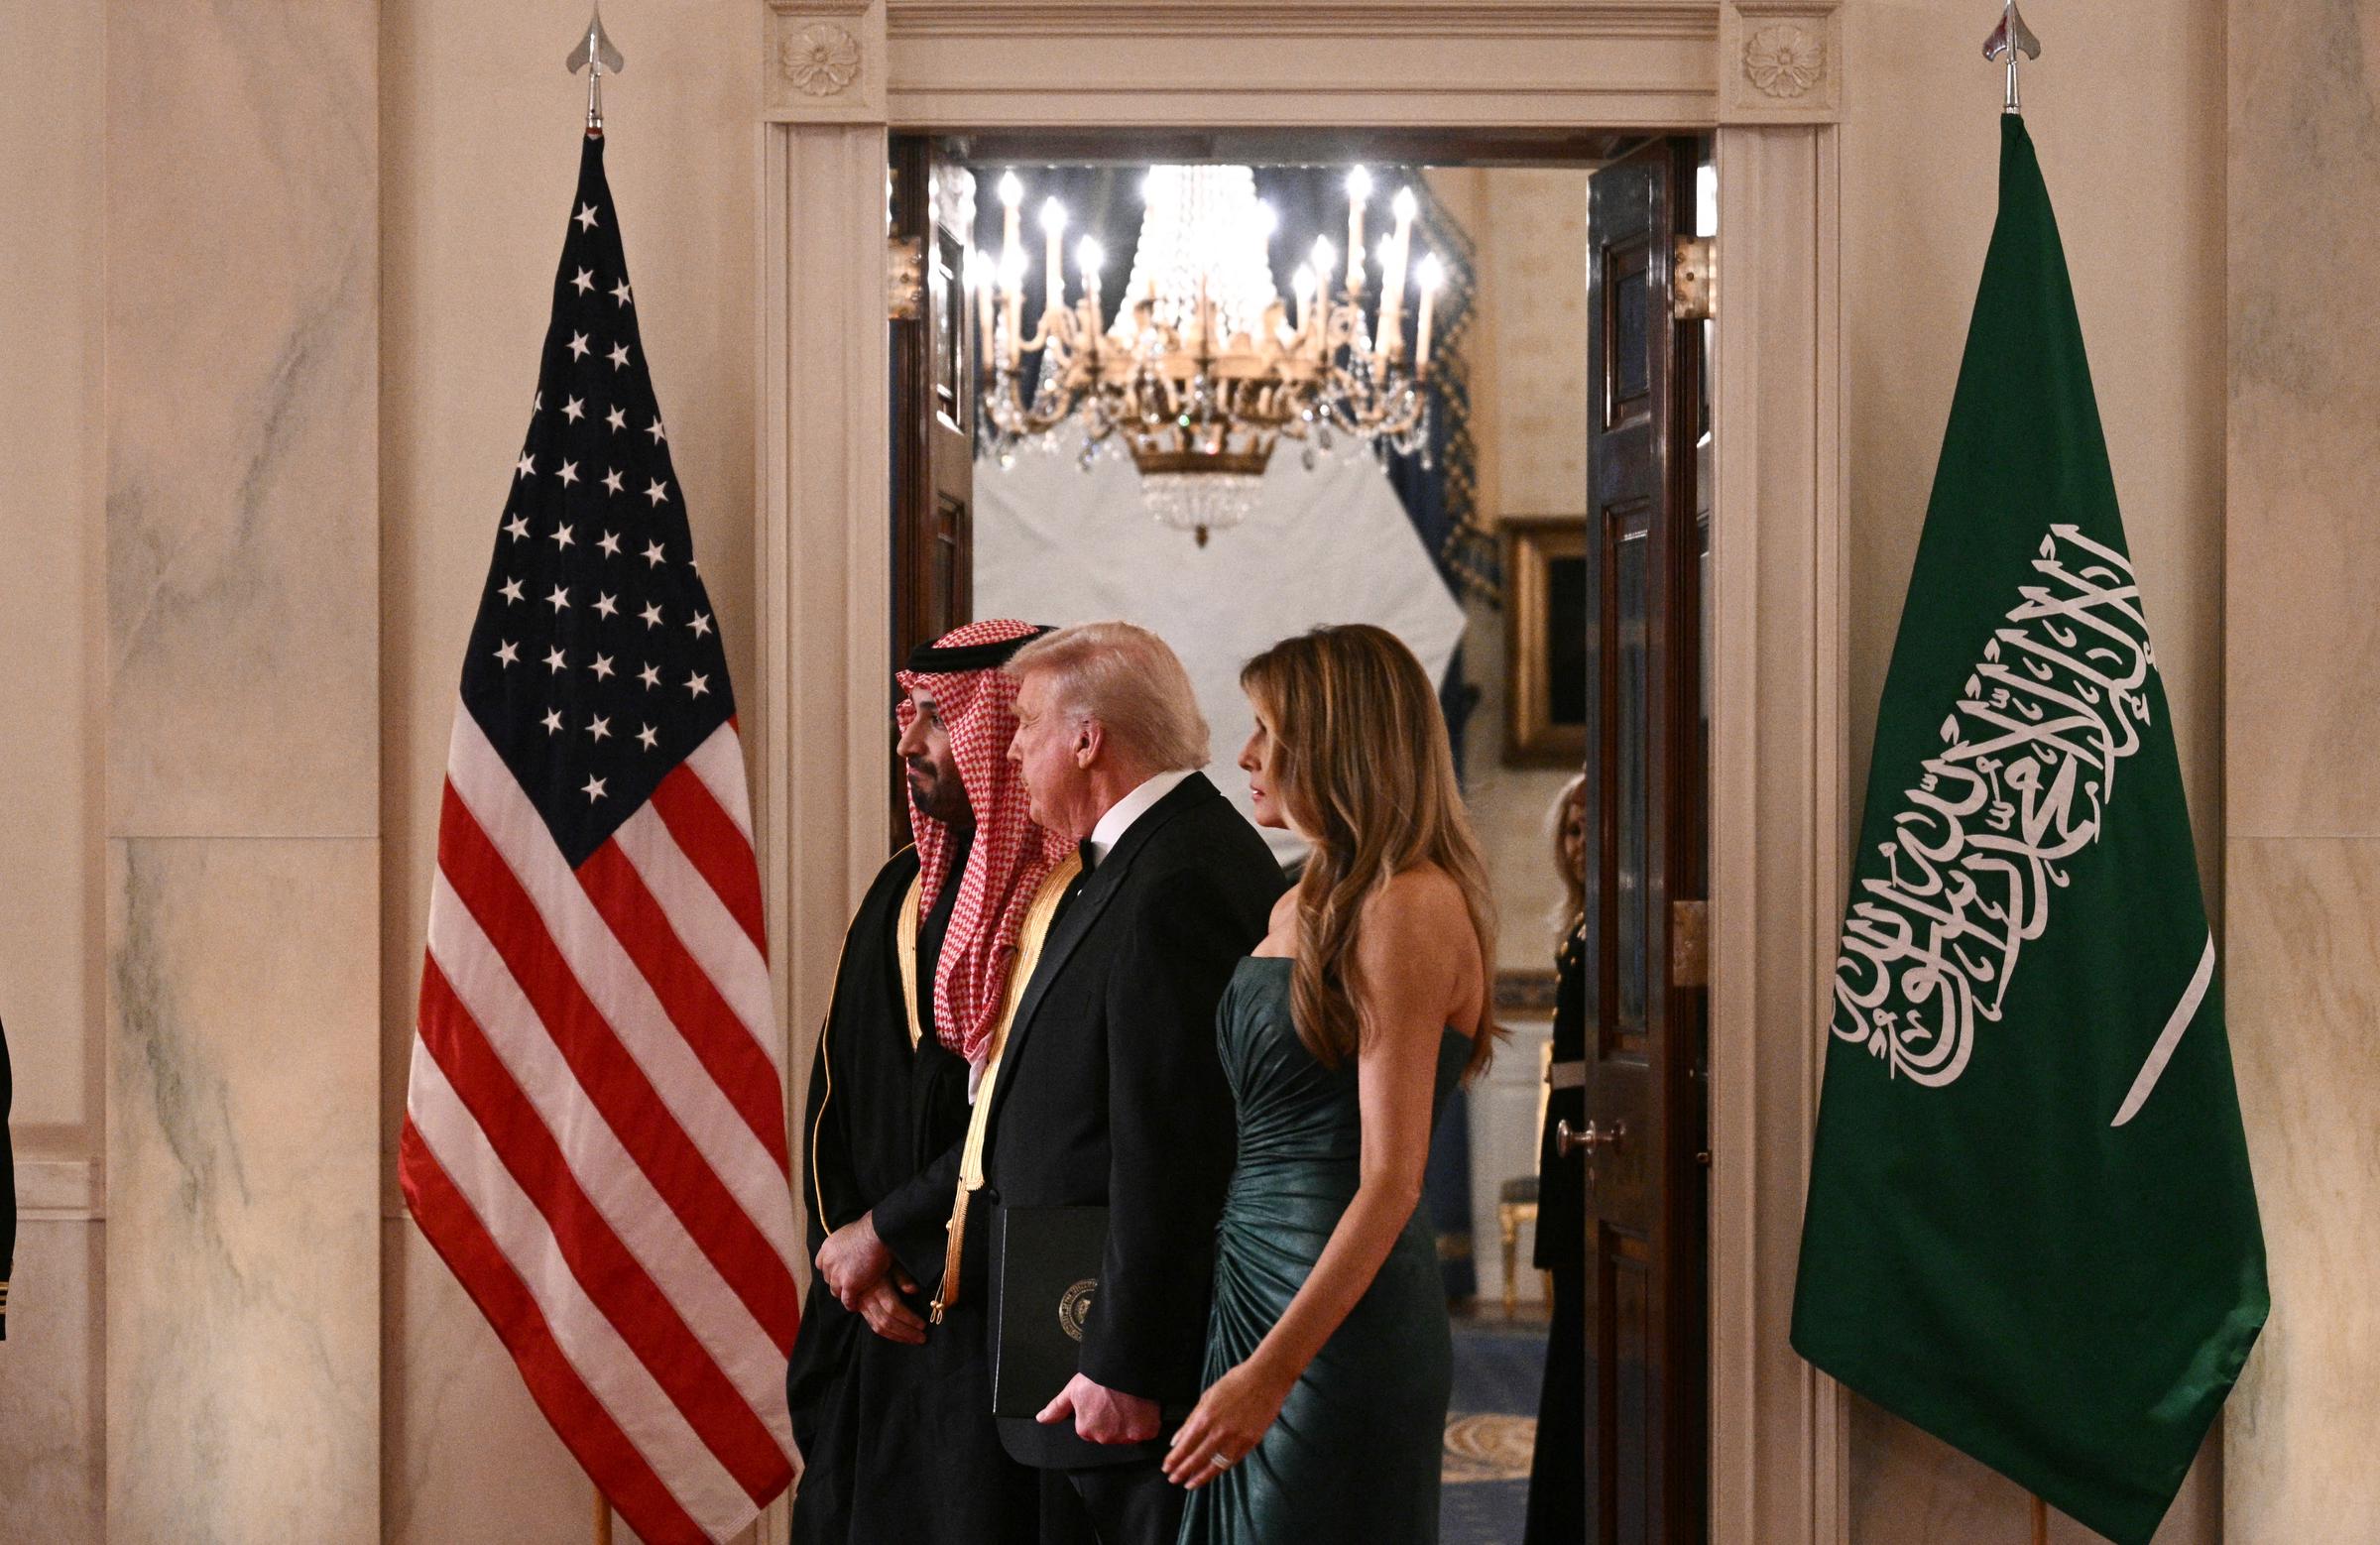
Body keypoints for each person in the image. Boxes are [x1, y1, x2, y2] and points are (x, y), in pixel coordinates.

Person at [843, 620, 1282, 1545]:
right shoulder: (1123, 863)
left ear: (1088, 740)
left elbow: (1168, 1146)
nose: (1007, 749)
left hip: (1114, 1363)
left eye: (1026, 723)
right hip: (1062, 1336)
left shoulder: (1178, 877)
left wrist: (1124, 1361)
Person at [1167, 623, 1499, 1545]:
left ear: (1338, 742)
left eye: (1269, 732)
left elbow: (1392, 1180)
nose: (1246, 755)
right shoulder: (1299, 898)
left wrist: (1271, 1373)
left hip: (1335, 1319)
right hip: (1251, 1286)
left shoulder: (1408, 904)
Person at [785, 619, 1073, 1545]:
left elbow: (1038, 1114)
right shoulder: (896, 892)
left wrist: (898, 1235)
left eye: (936, 720)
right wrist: (847, 1253)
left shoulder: (1067, 898)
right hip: (878, 1323)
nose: (907, 741)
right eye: (907, 714)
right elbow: (833, 1096)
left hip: (990, 1317)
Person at [1522, 772, 1589, 1545]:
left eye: (1591, 829)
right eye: (1570, 831)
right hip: (1571, 1140)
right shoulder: (1578, 925)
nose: (1578, 846)